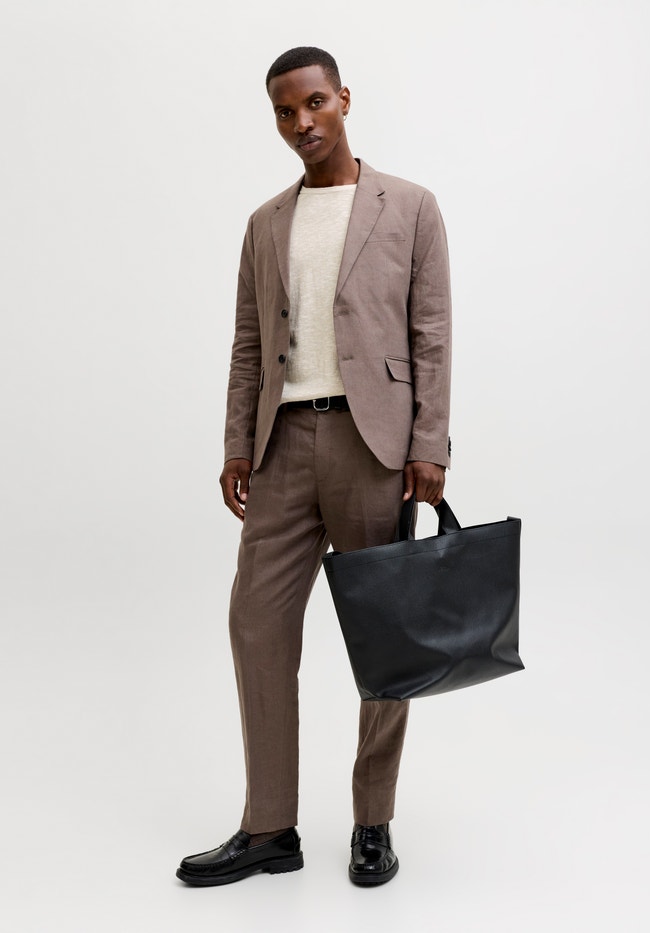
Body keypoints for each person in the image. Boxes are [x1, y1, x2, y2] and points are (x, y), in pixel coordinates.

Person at [176, 46, 451, 888]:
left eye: (315, 103)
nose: (302, 122)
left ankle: (373, 821)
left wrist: (429, 444)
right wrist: (236, 441)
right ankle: (270, 826)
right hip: (284, 443)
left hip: (375, 448)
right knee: (256, 623)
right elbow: (248, 342)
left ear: (344, 99)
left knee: (385, 638)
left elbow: (432, 334)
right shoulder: (265, 222)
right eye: (285, 112)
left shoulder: (410, 206)